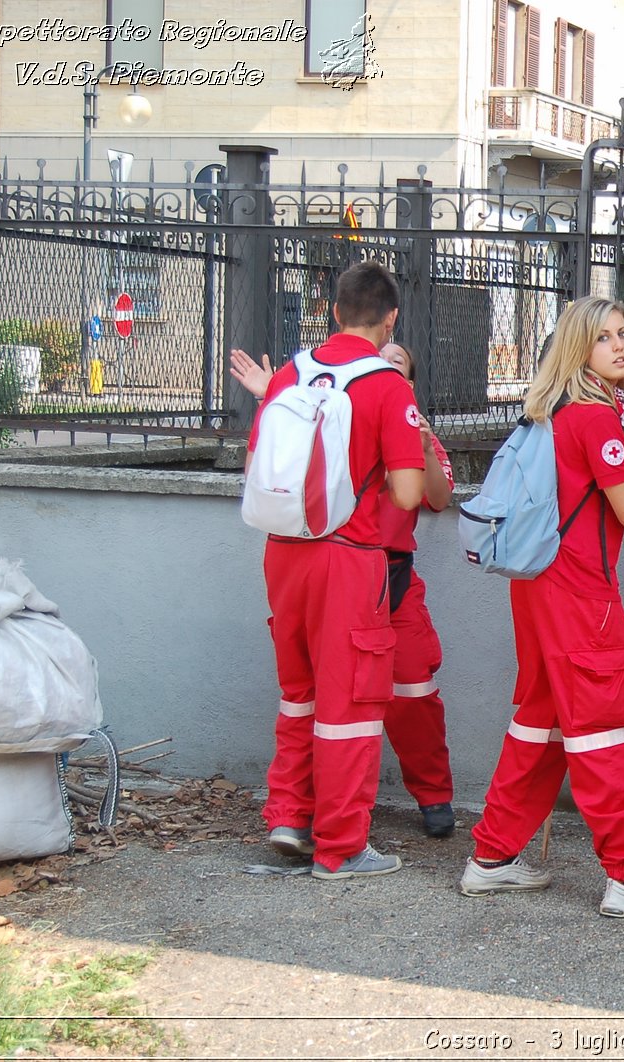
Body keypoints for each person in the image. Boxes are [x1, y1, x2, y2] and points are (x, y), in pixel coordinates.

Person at [458, 295, 624, 918]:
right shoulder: (595, 419)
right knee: (604, 732)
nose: (619, 346)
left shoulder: (552, 412)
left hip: (536, 588)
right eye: (604, 337)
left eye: (622, 335)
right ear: (579, 348)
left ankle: (492, 857)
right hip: (582, 595)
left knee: (541, 725)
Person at [231, 341, 458, 839]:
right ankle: (318, 822)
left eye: (397, 362)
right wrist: (277, 394)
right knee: (330, 700)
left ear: (409, 384)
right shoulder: (339, 414)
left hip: (392, 578)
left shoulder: (406, 420)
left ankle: (433, 796)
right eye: (378, 358)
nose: (382, 365)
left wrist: (419, 447)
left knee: (413, 694)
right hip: (348, 568)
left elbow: (434, 499)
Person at [245, 260, 426, 880]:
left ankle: (290, 818)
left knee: (299, 694)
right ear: (390, 317)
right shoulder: (386, 386)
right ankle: (342, 846)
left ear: (332, 309)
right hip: (348, 558)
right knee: (350, 702)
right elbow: (406, 494)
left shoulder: (290, 375)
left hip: (281, 550)